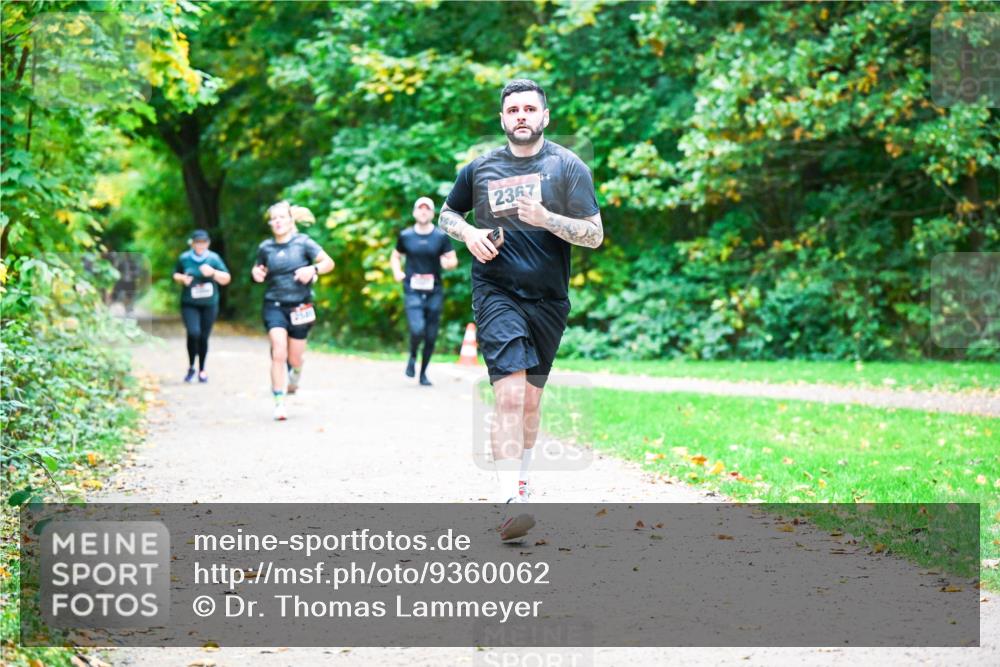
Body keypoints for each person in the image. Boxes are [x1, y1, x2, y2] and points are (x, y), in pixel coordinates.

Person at [438, 79, 603, 505]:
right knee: (508, 396)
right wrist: (469, 233)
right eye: (513, 111)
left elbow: (594, 235)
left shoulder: (568, 168)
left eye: (530, 109)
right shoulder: (480, 168)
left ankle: (523, 483)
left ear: (545, 116)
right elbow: (447, 214)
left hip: (549, 298)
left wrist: (548, 218)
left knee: (530, 402)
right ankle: (512, 500)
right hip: (495, 290)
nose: (521, 117)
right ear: (503, 119)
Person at [252, 201, 335, 421]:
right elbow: (259, 268)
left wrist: (312, 269)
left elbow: (328, 262)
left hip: (301, 306)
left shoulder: (304, 243)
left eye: (282, 217)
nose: (278, 222)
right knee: (278, 352)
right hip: (274, 305)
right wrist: (256, 273)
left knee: (295, 358)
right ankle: (279, 401)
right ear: (270, 223)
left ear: (290, 220)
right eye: (274, 218)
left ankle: (295, 375)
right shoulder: (266, 247)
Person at [390, 196, 458, 386]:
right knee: (417, 328)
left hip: (434, 290)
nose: (423, 211)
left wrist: (448, 263)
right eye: (420, 209)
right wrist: (397, 271)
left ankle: (423, 373)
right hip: (412, 289)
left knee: (430, 335)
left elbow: (452, 259)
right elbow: (395, 256)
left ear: (432, 213)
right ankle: (412, 356)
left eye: (427, 209)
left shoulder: (440, 237)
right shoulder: (406, 236)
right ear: (414, 212)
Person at [172, 229, 231, 383]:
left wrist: (212, 273)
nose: (200, 245)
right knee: (193, 333)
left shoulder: (213, 259)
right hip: (189, 304)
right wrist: (183, 279)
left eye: (203, 242)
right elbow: (175, 274)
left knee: (204, 337)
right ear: (192, 243)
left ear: (208, 243)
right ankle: (191, 366)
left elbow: (226, 278)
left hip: (209, 304)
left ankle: (202, 369)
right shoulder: (184, 258)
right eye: (197, 242)